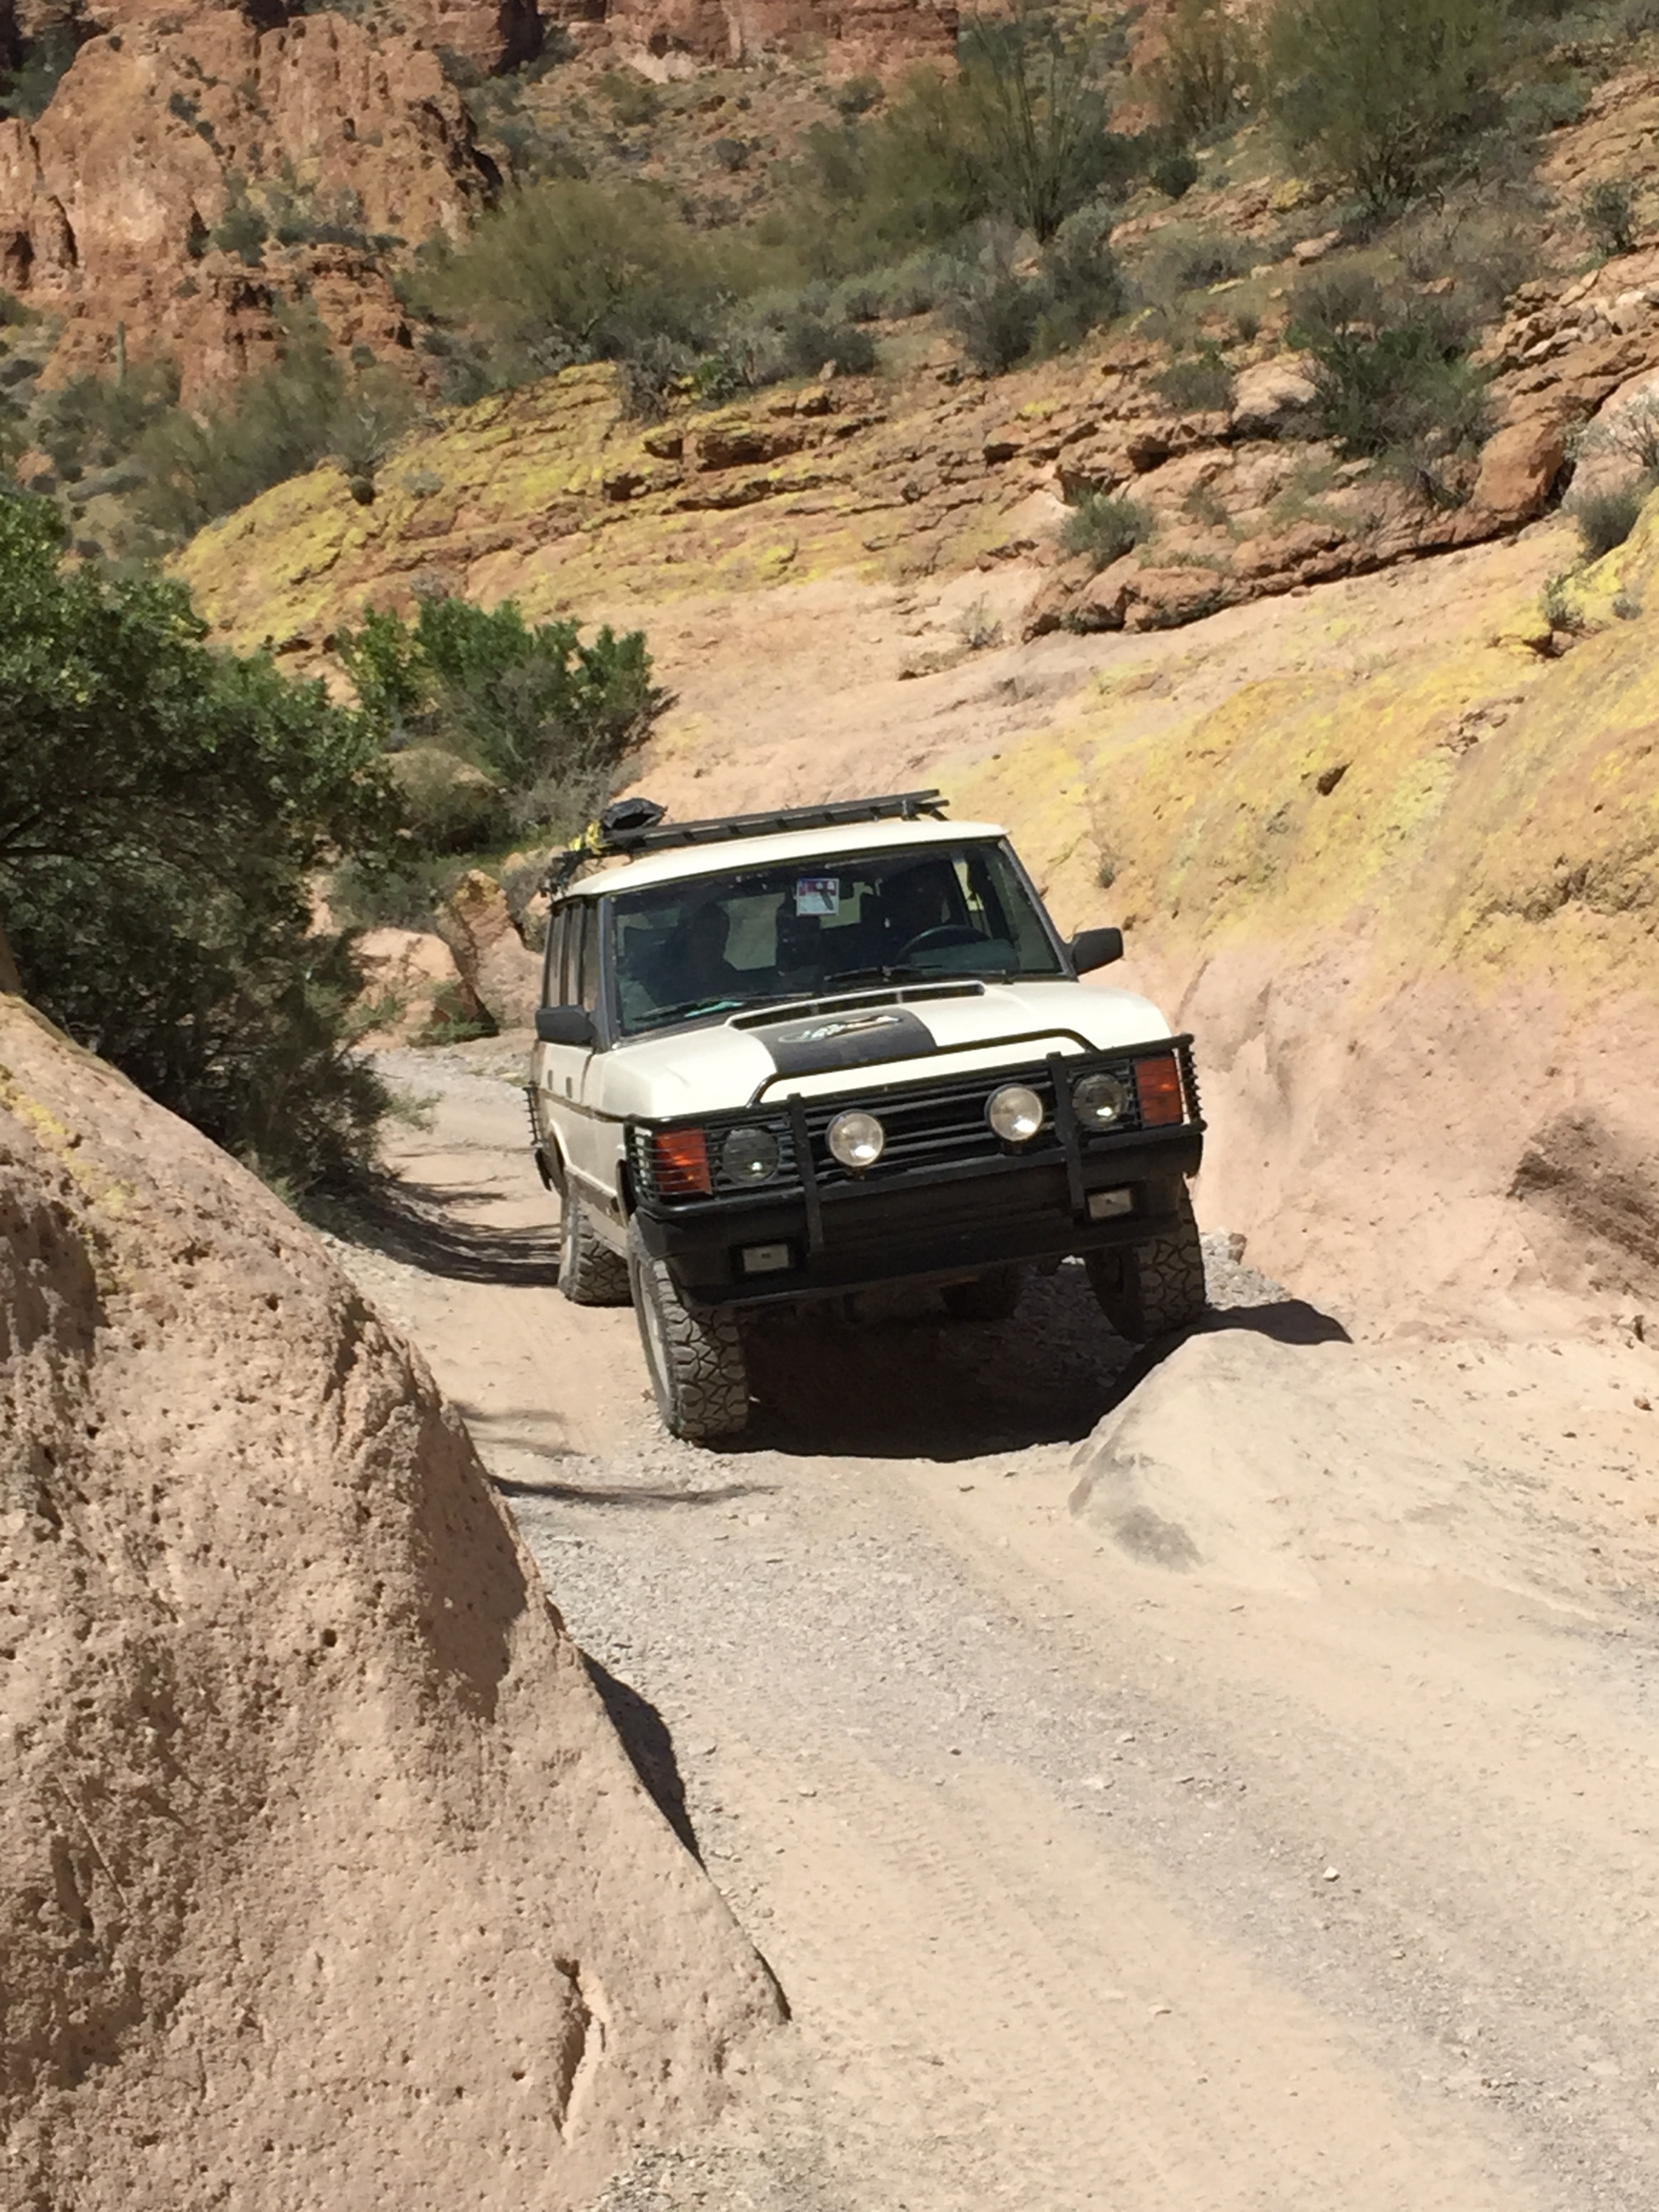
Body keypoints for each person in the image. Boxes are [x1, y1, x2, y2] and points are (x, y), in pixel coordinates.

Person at [657, 897, 742, 1006]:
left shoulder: (730, 977)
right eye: (706, 933)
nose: (713, 941)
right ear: (689, 936)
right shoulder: (665, 978)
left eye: (719, 934)